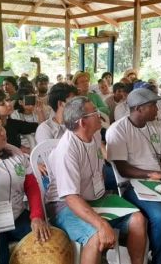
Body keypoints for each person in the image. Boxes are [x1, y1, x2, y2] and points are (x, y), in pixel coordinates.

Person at [45, 96, 146, 264]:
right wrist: (101, 224)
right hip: (65, 205)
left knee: (138, 220)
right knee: (95, 236)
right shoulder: (67, 150)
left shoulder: (96, 135)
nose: (100, 114)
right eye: (95, 112)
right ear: (82, 122)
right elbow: (71, 198)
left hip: (96, 197)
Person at [0, 108, 50, 264]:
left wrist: (36, 217)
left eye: (2, 126)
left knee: (47, 245)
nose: (3, 132)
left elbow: (31, 186)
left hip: (15, 216)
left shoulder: (14, 152)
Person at [107, 88, 161, 263]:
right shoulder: (118, 130)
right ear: (138, 108)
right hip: (131, 185)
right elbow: (122, 168)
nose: (158, 109)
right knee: (159, 215)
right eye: (153, 105)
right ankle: (160, 259)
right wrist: (149, 174)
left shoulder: (156, 126)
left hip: (157, 182)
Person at [0, 89, 38, 154]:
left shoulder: (12, 123)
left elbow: (38, 127)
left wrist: (40, 110)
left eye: (8, 100)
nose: (8, 104)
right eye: (2, 104)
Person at [11, 88, 47, 153]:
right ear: (20, 102)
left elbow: (43, 128)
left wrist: (40, 111)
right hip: (23, 148)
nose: (32, 102)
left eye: (33, 99)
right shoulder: (15, 115)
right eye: (29, 100)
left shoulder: (37, 112)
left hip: (39, 145)